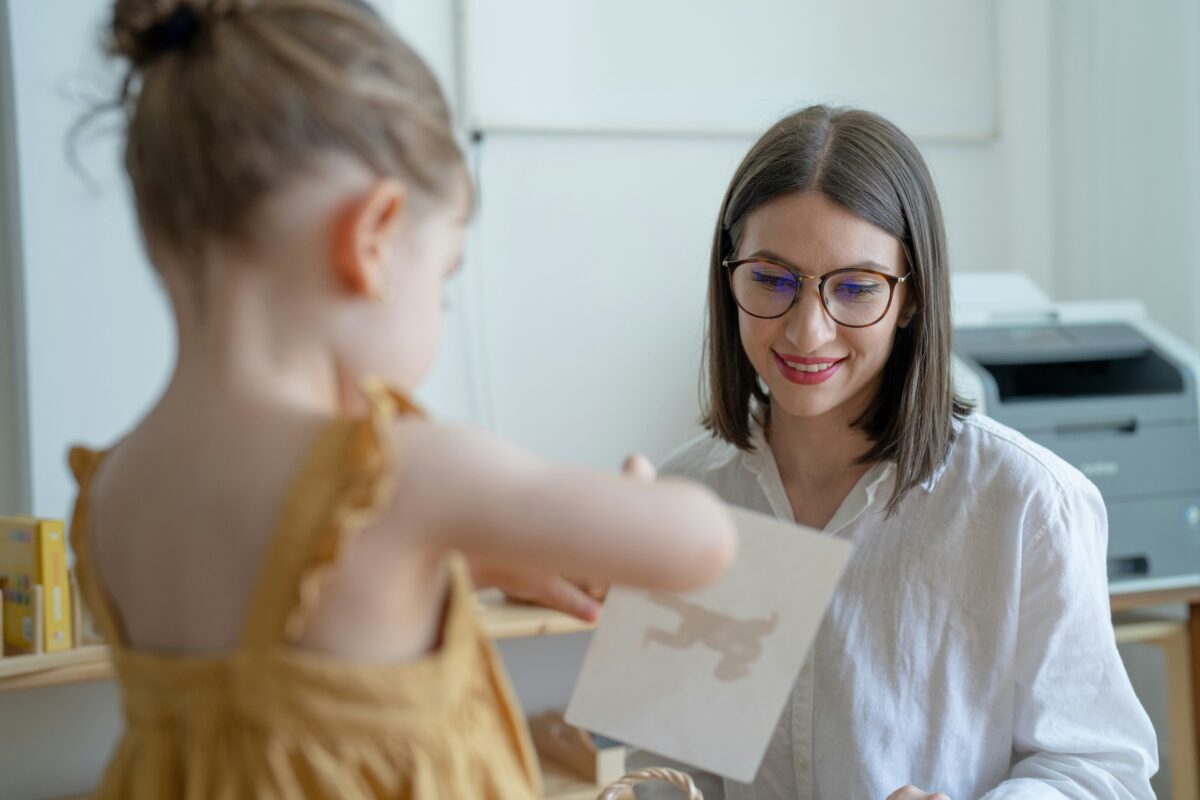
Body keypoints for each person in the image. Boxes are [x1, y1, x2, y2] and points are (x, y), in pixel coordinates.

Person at [67, 2, 736, 797]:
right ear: (375, 238)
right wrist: (628, 504)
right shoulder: (398, 470)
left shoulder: (114, 494)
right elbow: (699, 545)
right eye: (445, 281)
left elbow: (301, 624)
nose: (439, 311)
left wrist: (471, 558)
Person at [642, 105, 1157, 799]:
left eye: (855, 288)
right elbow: (674, 770)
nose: (807, 330)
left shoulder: (1026, 505)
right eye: (771, 279)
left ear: (912, 299)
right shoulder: (686, 499)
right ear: (728, 276)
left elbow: (1103, 773)